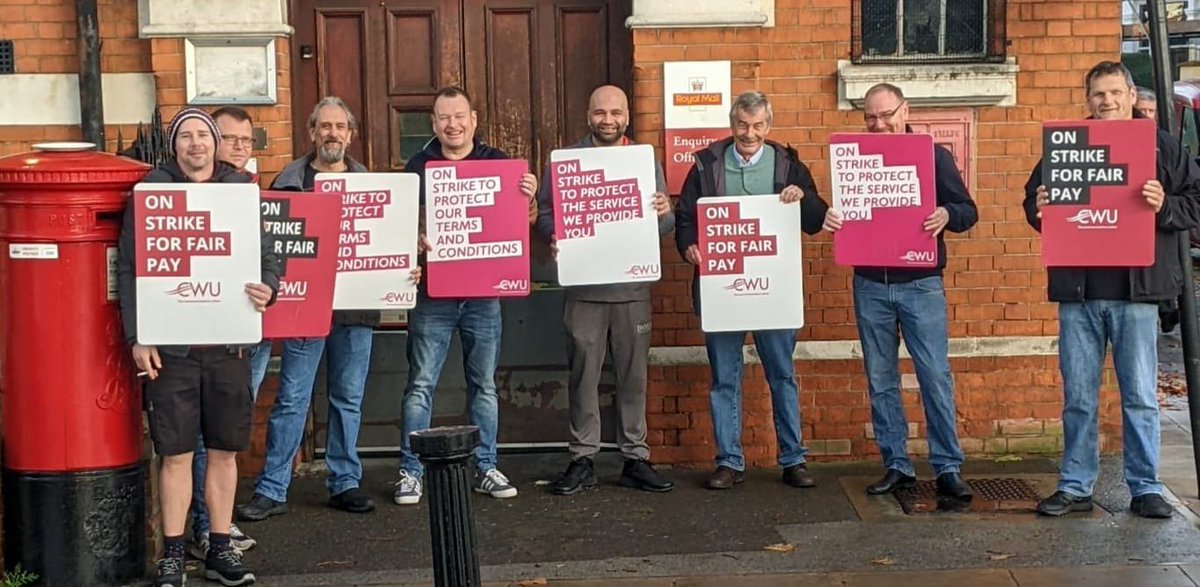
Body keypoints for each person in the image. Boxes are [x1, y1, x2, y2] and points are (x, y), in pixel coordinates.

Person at [1023, 61, 1200, 518]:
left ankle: (1146, 488)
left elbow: (1195, 202)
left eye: (1116, 92)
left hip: (1136, 293)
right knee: (1078, 398)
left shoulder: (1160, 146)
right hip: (1078, 292)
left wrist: (1165, 206)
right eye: (1099, 94)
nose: (1108, 101)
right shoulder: (1068, 145)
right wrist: (1039, 206)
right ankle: (1076, 486)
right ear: (1089, 99)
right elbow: (1033, 202)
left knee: (1139, 396)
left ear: (1130, 95)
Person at [118, 107, 279, 586]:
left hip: (229, 344)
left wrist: (269, 286)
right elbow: (130, 268)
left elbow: (268, 256)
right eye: (185, 136)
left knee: (226, 450)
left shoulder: (240, 191)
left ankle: (220, 547)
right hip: (174, 349)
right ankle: (173, 554)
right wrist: (137, 336)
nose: (195, 144)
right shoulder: (151, 194)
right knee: (176, 453)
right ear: (175, 147)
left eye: (202, 135)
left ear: (214, 143)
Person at [237, 97, 418, 521]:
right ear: (312, 132)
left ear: (350, 135)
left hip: (356, 311)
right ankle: (272, 488)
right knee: (292, 398)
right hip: (303, 308)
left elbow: (393, 242)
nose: (332, 133)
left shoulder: (372, 186)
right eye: (325, 126)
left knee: (347, 398)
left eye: (340, 126)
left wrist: (405, 269)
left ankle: (344, 482)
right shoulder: (288, 182)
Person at [822, 83, 977, 499]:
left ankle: (947, 466)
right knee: (880, 378)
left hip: (921, 284)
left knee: (934, 376)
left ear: (905, 111)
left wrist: (947, 213)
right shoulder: (854, 160)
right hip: (870, 283)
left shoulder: (933, 156)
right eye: (870, 117)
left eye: (886, 115)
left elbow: (968, 211)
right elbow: (849, 214)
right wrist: (832, 218)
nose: (878, 124)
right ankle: (896, 464)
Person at [674, 91, 829, 490]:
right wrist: (688, 244)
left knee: (782, 375)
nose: (749, 133)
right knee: (724, 379)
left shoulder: (788, 164)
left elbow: (816, 220)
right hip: (722, 288)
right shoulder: (706, 164)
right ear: (732, 125)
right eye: (742, 125)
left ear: (768, 126)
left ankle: (793, 459)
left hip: (773, 290)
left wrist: (803, 198)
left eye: (758, 125)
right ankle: (729, 462)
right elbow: (685, 216)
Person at [392, 86, 538, 505]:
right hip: (433, 295)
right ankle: (410, 471)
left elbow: (522, 223)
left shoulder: (498, 164)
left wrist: (527, 199)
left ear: (473, 120)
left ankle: (485, 466)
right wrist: (413, 238)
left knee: (484, 385)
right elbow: (400, 225)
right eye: (444, 117)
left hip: (482, 297)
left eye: (459, 116)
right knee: (421, 385)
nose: (452, 124)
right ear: (433, 123)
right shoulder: (417, 167)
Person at [534, 85, 675, 495]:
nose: (608, 120)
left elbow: (665, 226)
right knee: (583, 377)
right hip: (584, 289)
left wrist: (664, 213)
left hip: (632, 289)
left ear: (627, 116)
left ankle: (635, 457)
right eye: (600, 112)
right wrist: (555, 233)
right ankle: (583, 458)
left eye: (615, 113)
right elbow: (545, 212)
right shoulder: (566, 162)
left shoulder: (644, 160)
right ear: (588, 115)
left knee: (633, 378)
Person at [185, 105, 260, 559]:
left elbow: (271, 252)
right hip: (197, 335)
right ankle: (205, 526)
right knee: (199, 438)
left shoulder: (250, 189)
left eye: (246, 140)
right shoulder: (181, 191)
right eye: (230, 138)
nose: (238, 147)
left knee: (227, 436)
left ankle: (219, 523)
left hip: (243, 329)